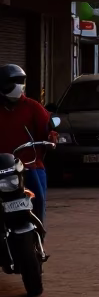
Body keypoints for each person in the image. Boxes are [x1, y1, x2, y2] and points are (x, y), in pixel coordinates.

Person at [0, 64, 53, 222]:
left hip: (30, 165)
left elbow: (47, 130)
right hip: (2, 168)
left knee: (38, 201)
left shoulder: (33, 107)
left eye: (20, 81)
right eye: (13, 81)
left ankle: (38, 237)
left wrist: (51, 136)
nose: (18, 86)